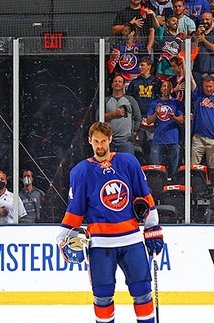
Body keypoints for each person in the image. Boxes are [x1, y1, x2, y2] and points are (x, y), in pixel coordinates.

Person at [56, 121, 163, 323]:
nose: (100, 146)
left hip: (131, 241)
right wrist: (63, 238)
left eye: (103, 141)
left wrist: (153, 228)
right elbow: (75, 209)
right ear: (89, 141)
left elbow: (144, 197)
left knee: (142, 292)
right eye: (96, 141)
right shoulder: (81, 172)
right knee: (102, 296)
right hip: (100, 245)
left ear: (110, 139)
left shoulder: (128, 163)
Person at [104, 75, 141, 154]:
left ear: (124, 85)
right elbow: (98, 117)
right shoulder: (106, 100)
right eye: (115, 81)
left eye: (120, 82)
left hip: (126, 140)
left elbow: (138, 117)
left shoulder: (130, 100)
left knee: (128, 164)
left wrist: (135, 132)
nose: (117, 83)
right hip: (110, 140)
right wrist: (113, 114)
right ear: (112, 84)